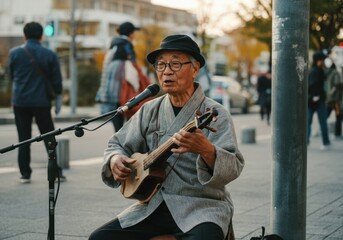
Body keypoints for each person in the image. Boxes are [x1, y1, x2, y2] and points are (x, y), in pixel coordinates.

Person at [89, 34, 244, 240]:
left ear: (195, 69)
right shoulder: (149, 109)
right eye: (161, 65)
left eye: (176, 64)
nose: (167, 71)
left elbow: (233, 167)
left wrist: (206, 149)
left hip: (203, 206)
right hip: (155, 204)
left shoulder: (216, 113)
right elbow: (117, 144)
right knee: (100, 238)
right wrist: (115, 159)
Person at [8, 22, 65, 183]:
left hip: (21, 102)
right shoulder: (49, 54)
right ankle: (56, 171)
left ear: (24, 35)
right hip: (42, 102)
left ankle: (25, 173)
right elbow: (56, 80)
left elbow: (11, 76)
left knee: (24, 138)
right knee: (49, 137)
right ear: (41, 36)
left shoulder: (14, 53)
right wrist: (58, 99)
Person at [96, 21, 142, 132]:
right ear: (130, 33)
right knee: (126, 102)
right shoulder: (127, 44)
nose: (134, 35)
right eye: (134, 32)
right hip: (123, 77)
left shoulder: (114, 43)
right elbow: (133, 63)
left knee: (116, 109)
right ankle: (124, 137)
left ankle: (118, 133)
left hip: (111, 80)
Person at [307, 51, 331, 149]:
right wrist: (316, 96)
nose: (324, 62)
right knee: (322, 122)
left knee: (308, 122)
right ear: (318, 60)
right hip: (316, 100)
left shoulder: (315, 70)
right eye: (322, 60)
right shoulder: (316, 71)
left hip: (312, 100)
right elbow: (313, 85)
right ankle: (325, 142)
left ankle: (307, 142)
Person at [324, 58, 343, 138]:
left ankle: (322, 131)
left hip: (329, 98)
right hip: (336, 99)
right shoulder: (336, 73)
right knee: (338, 116)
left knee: (325, 115)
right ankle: (337, 133)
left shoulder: (327, 73)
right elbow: (338, 84)